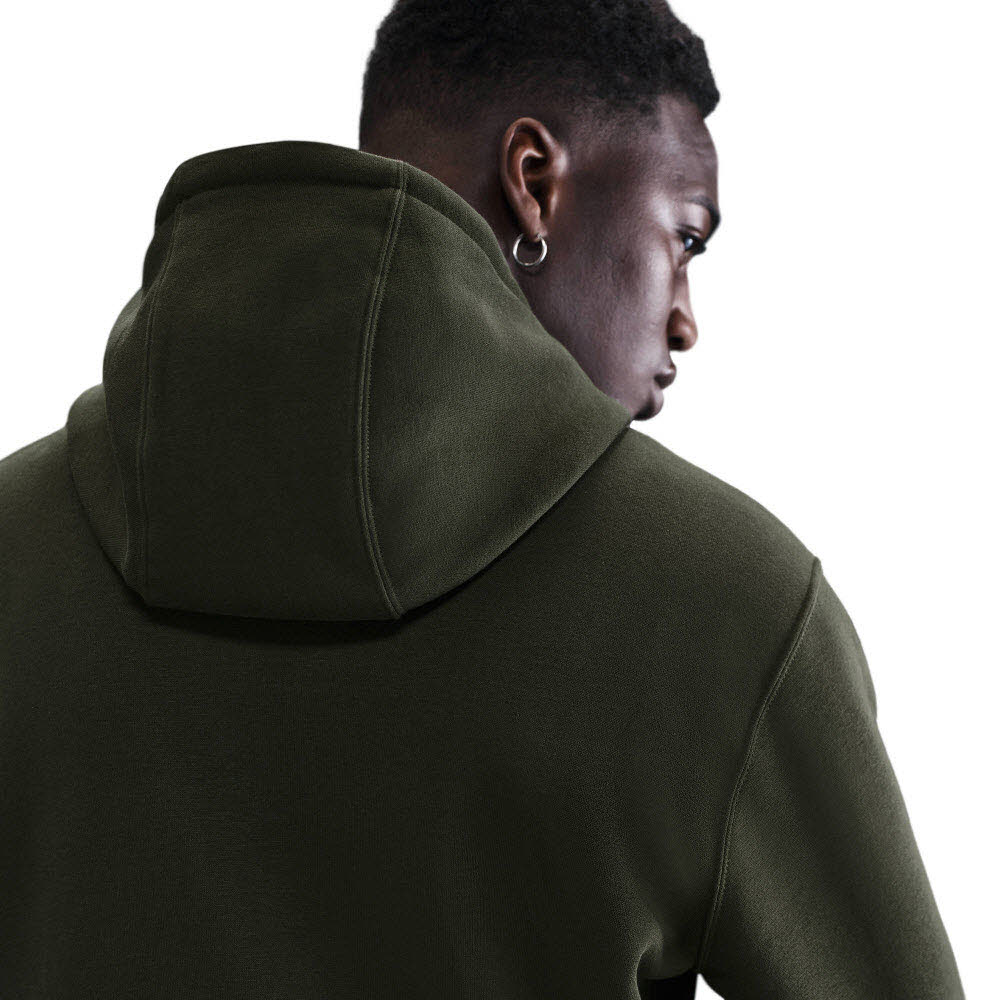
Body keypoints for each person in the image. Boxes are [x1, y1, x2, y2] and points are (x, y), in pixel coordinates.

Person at [0, 1, 965, 998]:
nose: (685, 322)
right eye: (685, 238)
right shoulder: (732, 606)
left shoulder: (16, 551)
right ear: (534, 182)